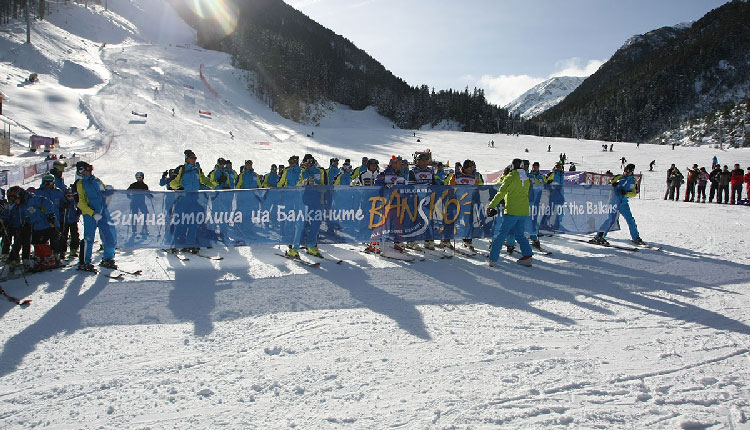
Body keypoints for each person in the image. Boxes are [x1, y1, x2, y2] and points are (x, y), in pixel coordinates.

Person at [486, 158, 533, 267]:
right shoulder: (526, 178)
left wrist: (492, 205)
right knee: (520, 235)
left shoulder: (510, 177)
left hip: (512, 210)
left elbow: (501, 193)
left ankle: (492, 259)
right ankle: (527, 256)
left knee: (502, 234)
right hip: (524, 211)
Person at [169, 150, 218, 253]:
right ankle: (177, 243)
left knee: (193, 223)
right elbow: (172, 184)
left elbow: (205, 180)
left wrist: (216, 186)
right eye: (192, 158)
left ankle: (190, 244)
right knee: (182, 221)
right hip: (183, 199)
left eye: (195, 158)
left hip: (194, 199)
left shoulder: (197, 170)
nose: (194, 160)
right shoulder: (181, 169)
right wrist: (180, 187)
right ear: (187, 159)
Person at [77, 161, 118, 271]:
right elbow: (81, 203)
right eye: (88, 169)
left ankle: (108, 258)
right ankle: (85, 262)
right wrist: (92, 213)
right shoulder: (80, 184)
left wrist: (108, 191)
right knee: (89, 238)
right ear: (82, 170)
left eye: (91, 168)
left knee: (109, 235)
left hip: (103, 212)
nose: (90, 171)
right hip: (91, 215)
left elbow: (103, 192)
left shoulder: (96, 180)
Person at [590, 163, 644, 246]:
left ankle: (635, 237)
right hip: (614, 202)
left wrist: (626, 193)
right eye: (625, 171)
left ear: (632, 172)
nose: (625, 173)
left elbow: (634, 193)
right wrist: (613, 184)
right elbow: (608, 186)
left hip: (623, 204)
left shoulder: (633, 181)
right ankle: (599, 236)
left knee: (630, 220)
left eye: (628, 172)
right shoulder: (619, 177)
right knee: (610, 220)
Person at [286, 154, 327, 259]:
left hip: (317, 201)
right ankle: (294, 249)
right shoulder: (302, 172)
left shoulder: (320, 171)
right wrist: (304, 183)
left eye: (308, 163)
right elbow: (298, 186)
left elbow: (326, 187)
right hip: (304, 201)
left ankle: (311, 246)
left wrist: (316, 185)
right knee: (300, 224)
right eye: (305, 164)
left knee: (315, 224)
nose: (306, 165)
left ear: (312, 162)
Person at [34, 174, 65, 262]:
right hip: (42, 221)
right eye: (45, 183)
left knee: (55, 238)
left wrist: (65, 206)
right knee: (42, 239)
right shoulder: (38, 192)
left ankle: (55, 254)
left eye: (49, 183)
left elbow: (62, 203)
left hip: (54, 220)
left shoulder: (58, 192)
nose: (47, 185)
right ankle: (43, 255)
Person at [127, 172, 150, 236]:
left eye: (140, 177)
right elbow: (127, 192)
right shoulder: (133, 185)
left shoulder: (145, 186)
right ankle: (134, 230)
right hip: (134, 202)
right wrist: (130, 197)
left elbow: (147, 194)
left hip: (141, 202)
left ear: (142, 178)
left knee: (146, 213)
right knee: (134, 215)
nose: (138, 179)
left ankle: (144, 228)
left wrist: (150, 196)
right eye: (137, 177)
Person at [60, 189, 80, 260]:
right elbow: (60, 210)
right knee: (63, 236)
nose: (70, 197)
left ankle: (73, 250)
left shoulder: (74, 201)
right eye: (69, 196)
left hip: (73, 220)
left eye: (72, 196)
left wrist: (79, 212)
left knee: (74, 235)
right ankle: (62, 251)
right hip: (65, 221)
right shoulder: (63, 202)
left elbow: (79, 207)